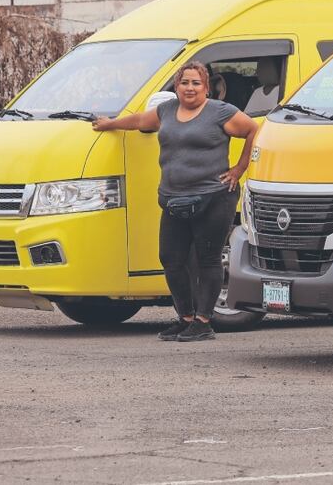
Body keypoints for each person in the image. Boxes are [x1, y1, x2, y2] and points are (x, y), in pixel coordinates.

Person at [93, 61, 259, 342]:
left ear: (207, 87)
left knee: (208, 260)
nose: (190, 88)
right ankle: (185, 318)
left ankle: (204, 321)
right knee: (170, 259)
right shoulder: (166, 110)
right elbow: (138, 122)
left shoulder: (221, 112)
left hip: (213, 197)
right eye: (184, 83)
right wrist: (111, 124)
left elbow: (253, 130)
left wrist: (239, 169)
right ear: (176, 86)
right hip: (173, 198)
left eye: (196, 83)